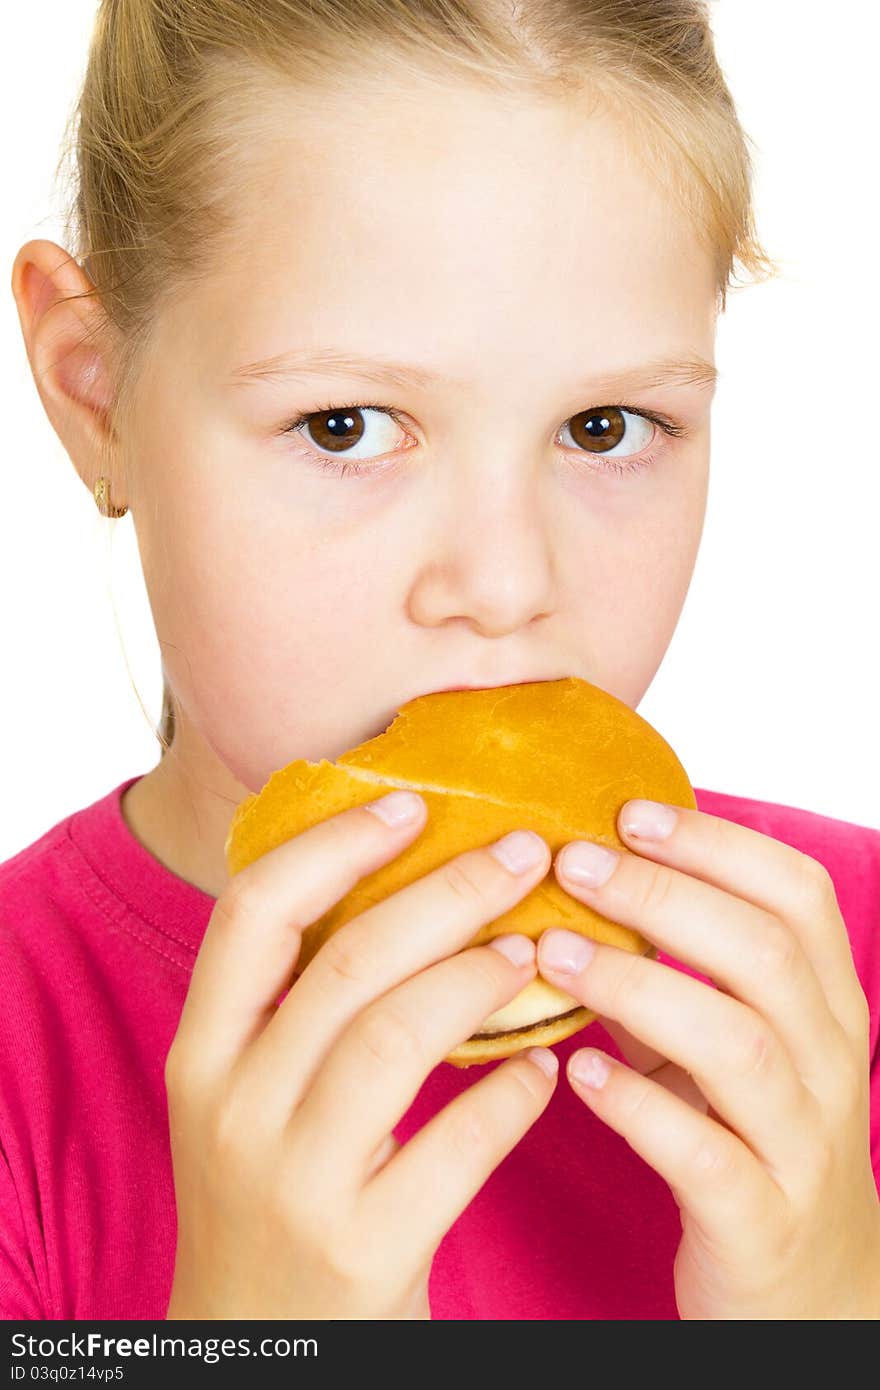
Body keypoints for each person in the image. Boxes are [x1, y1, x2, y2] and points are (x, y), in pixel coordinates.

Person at [3, 0, 879, 1321]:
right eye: (346, 425)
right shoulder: (25, 1076)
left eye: (604, 424)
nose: (507, 582)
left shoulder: (846, 973)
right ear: (94, 392)